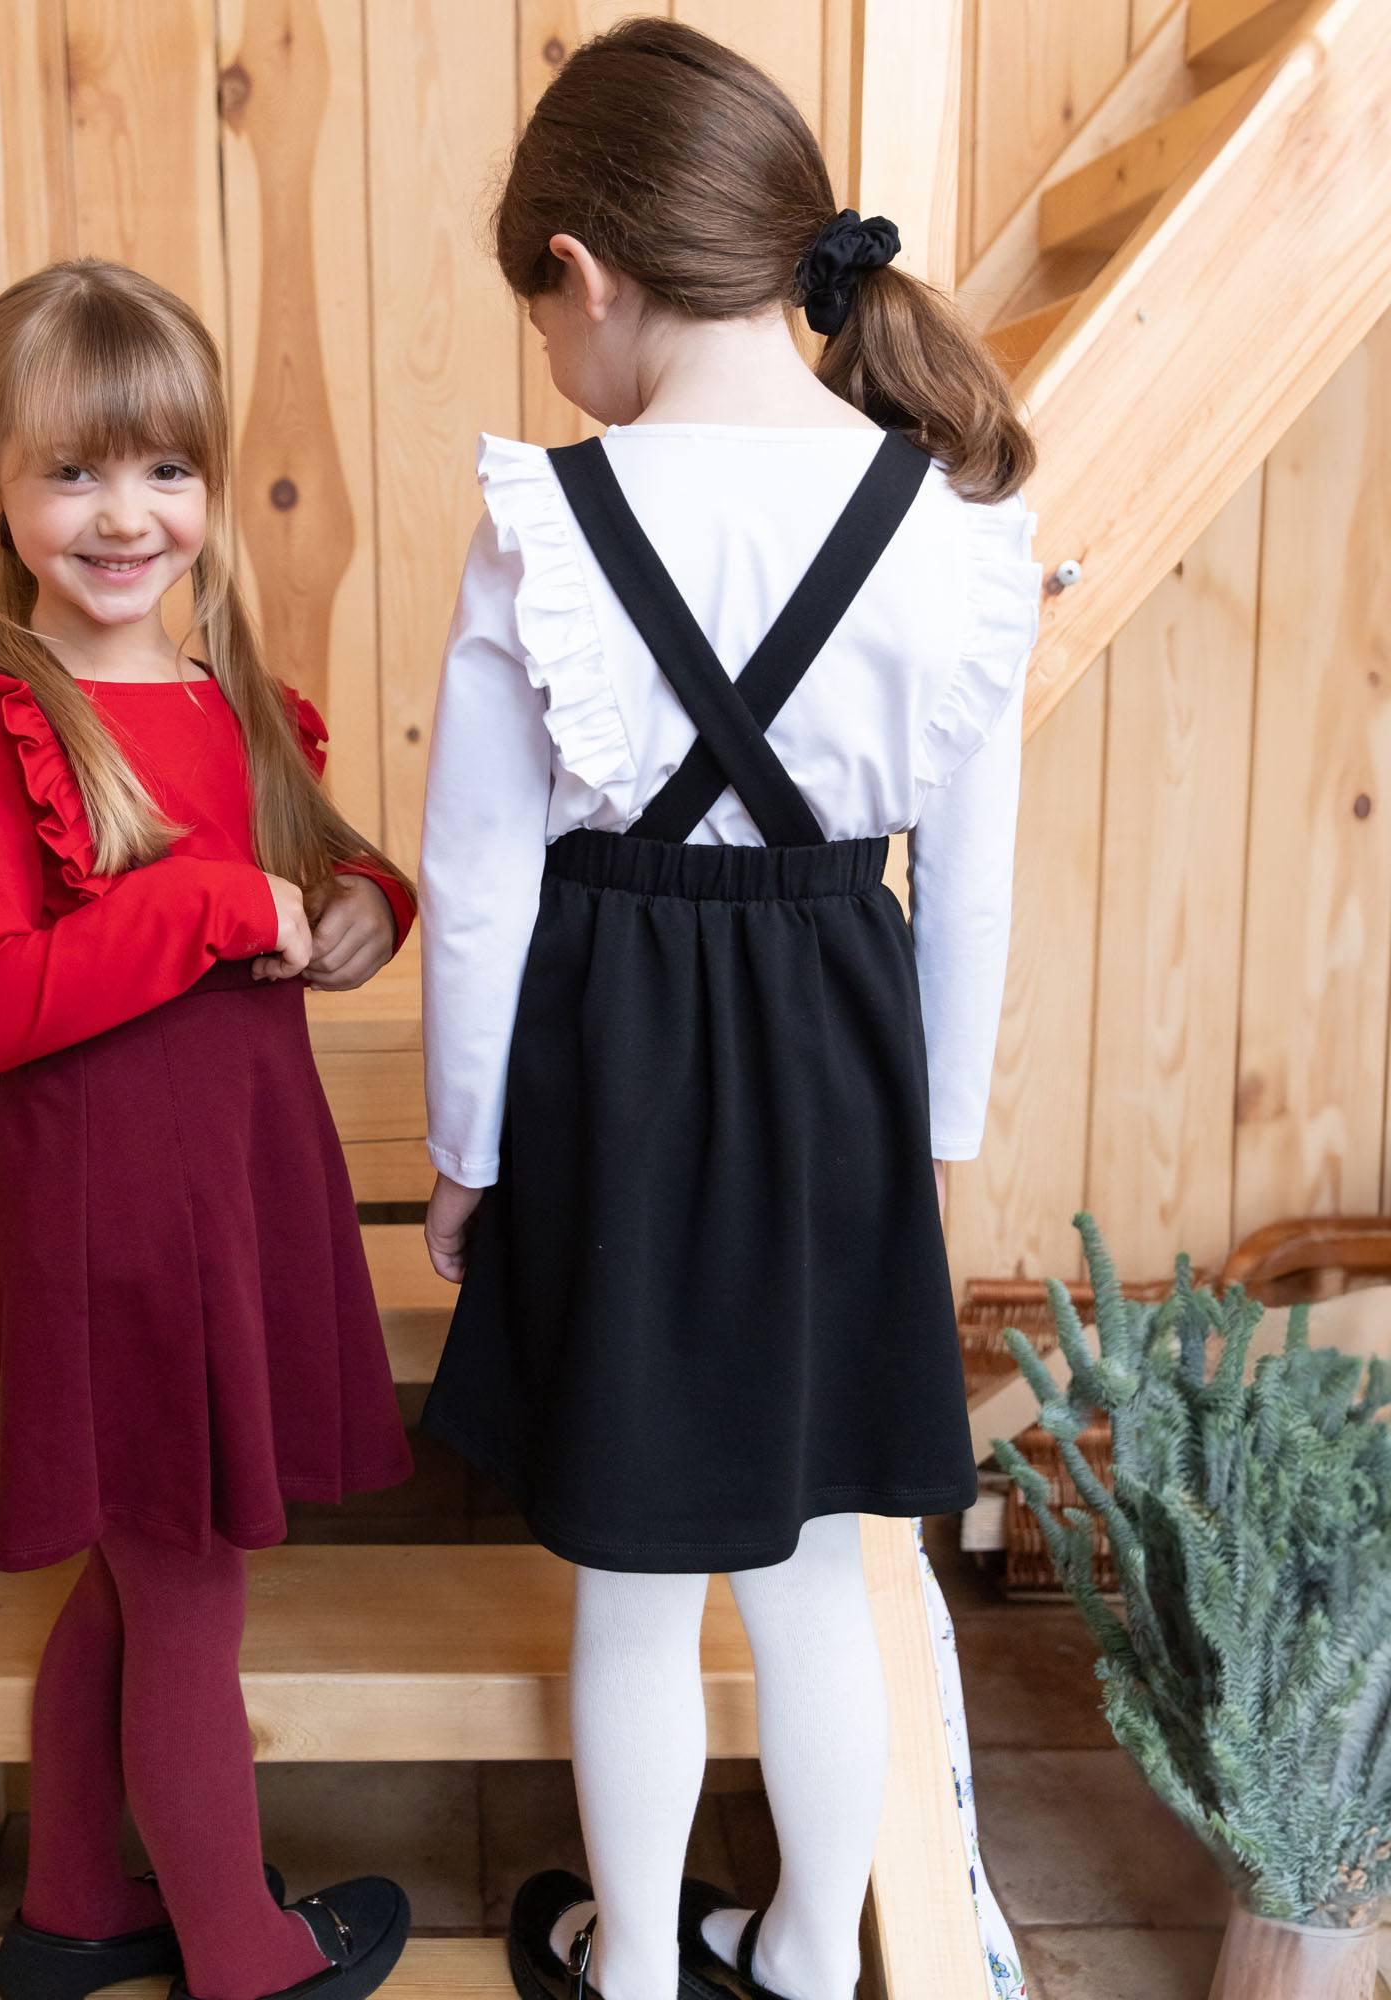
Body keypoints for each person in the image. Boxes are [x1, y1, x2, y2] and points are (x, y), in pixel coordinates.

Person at [414, 22, 1042, 2000]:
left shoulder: (544, 523)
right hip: (840, 1075)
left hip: (607, 1072)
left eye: (541, 314)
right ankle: (786, 1953)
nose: (550, 362)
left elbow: (478, 890)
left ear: (585, 271)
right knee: (816, 1580)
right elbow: (973, 890)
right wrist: (928, 1151)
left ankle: (622, 1968)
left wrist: (461, 1159)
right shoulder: (953, 532)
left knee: (625, 1590)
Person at [0, 258, 417, 2000]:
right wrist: (208, 909)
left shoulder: (223, 697)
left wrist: (357, 908)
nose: (127, 516)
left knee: (129, 1584)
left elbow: (314, 868)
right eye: (75, 474)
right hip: (112, 1225)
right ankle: (243, 1958)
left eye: (166, 471)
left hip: (236, 1195)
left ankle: (82, 1908)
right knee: (186, 1587)